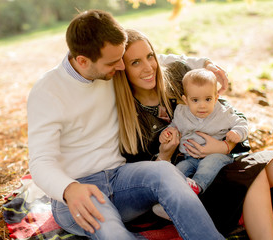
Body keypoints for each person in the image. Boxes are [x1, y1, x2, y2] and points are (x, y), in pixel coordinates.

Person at [27, 10, 225, 240]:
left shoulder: (110, 70)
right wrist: (68, 189)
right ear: (82, 61)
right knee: (113, 234)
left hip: (122, 179)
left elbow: (155, 61)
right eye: (114, 61)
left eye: (122, 57)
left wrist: (205, 64)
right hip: (79, 193)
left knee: (164, 171)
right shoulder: (47, 92)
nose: (122, 66)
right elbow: (40, 161)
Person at [113, 28, 273, 239]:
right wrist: (165, 155)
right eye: (135, 62)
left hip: (219, 165)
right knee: (254, 176)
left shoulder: (174, 77)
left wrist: (224, 146)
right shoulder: (129, 120)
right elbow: (142, 187)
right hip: (188, 189)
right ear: (122, 69)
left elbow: (230, 114)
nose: (148, 68)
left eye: (150, 57)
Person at [160, 68, 248, 194]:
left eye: (208, 99)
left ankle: (197, 186)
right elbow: (175, 126)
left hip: (216, 156)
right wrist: (167, 133)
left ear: (216, 98)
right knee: (179, 169)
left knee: (208, 165)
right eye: (195, 100)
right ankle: (168, 196)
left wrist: (237, 133)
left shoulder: (223, 113)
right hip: (189, 158)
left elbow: (242, 123)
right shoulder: (181, 112)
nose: (202, 105)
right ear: (186, 100)